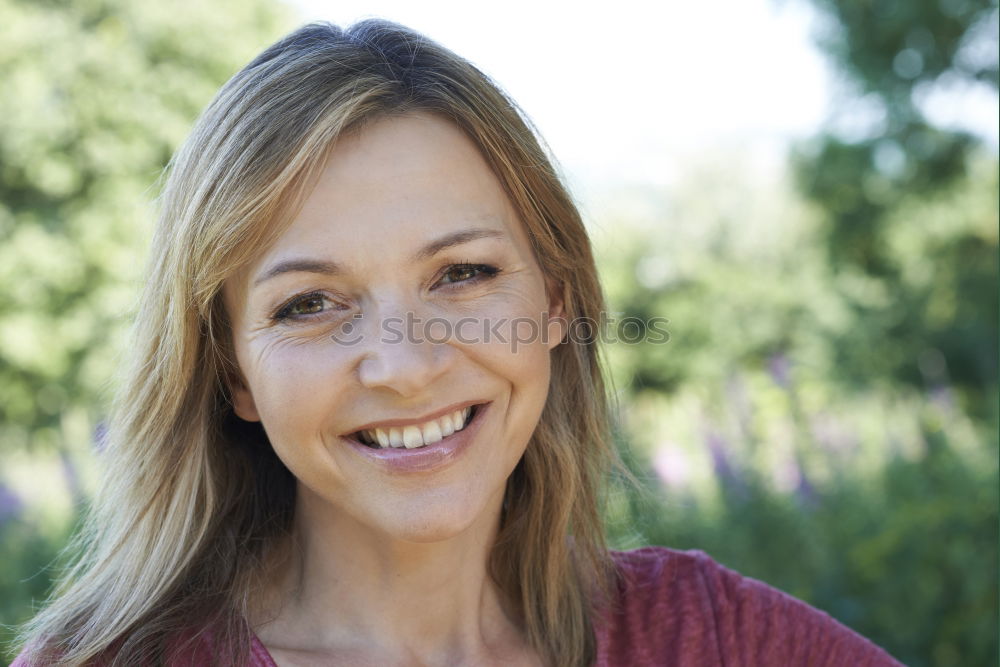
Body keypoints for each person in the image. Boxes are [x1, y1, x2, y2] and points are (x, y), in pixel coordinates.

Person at [13, 19, 902, 667]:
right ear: (234, 373)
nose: (405, 364)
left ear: (555, 301)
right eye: (311, 303)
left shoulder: (712, 640)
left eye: (462, 274)